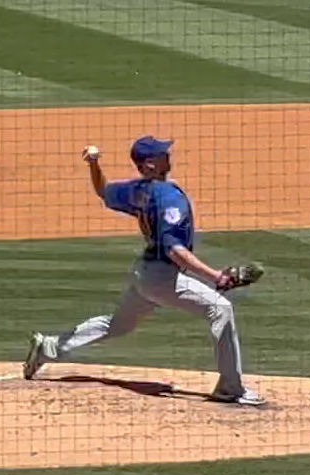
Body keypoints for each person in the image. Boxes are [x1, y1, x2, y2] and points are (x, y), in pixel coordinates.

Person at [23, 136, 264, 406]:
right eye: (162, 154)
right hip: (162, 277)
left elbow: (103, 191)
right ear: (149, 165)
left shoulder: (139, 190)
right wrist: (215, 277)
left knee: (117, 325)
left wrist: (93, 164)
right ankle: (231, 389)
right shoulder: (168, 198)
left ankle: (48, 347)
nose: (168, 155)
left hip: (145, 274)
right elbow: (174, 250)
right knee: (220, 309)